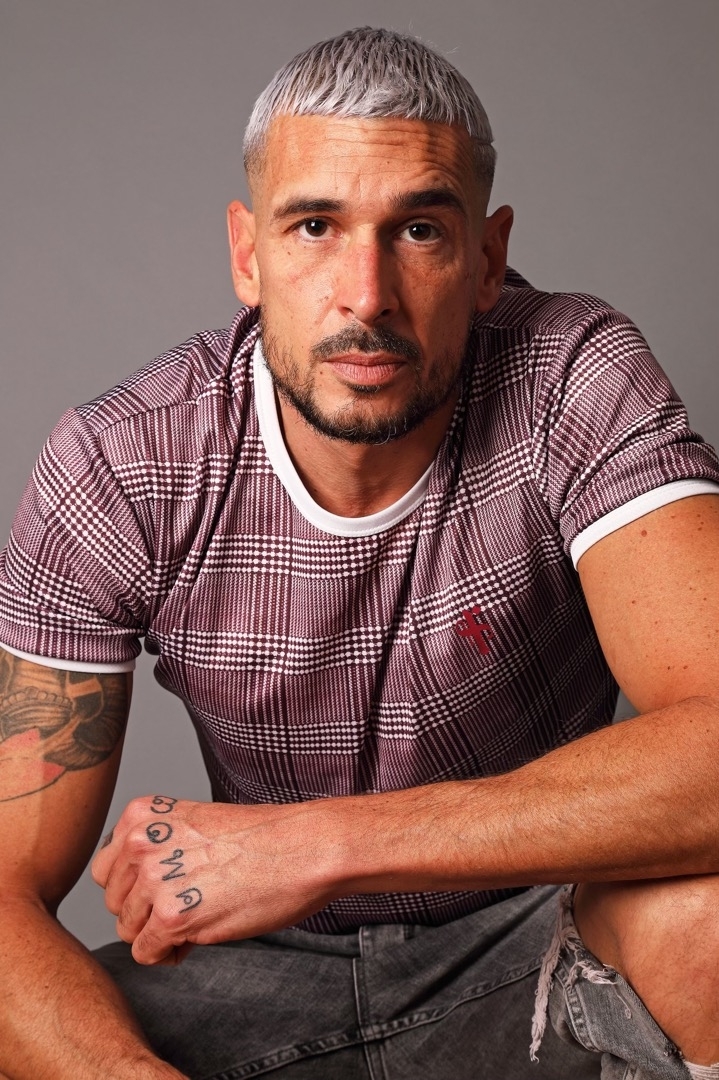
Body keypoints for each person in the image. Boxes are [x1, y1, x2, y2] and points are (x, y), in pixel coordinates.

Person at [1, 25, 718, 1080]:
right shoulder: (123, 464)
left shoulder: (572, 378)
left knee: (707, 922)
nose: (367, 295)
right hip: (254, 978)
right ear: (247, 255)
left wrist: (316, 845)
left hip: (529, 946)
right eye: (314, 227)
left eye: (418, 230)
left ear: (486, 259)